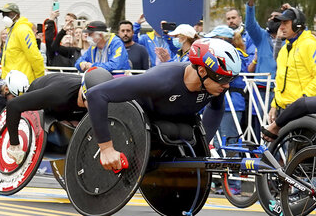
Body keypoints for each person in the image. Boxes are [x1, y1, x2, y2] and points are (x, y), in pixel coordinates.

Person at [87, 39, 242, 170]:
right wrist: (106, 148)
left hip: (172, 124)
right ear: (202, 71)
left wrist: (202, 146)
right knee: (170, 130)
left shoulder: (215, 85)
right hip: (137, 123)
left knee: (185, 133)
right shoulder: (162, 80)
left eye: (231, 80)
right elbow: (96, 94)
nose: (227, 86)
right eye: (222, 79)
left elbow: (216, 108)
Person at [3, 67, 113, 163]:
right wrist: (14, 145)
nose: (98, 107)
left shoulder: (97, 96)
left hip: (70, 104)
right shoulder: (57, 94)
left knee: (86, 124)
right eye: (95, 103)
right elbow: (13, 105)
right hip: (50, 100)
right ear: (84, 94)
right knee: (68, 128)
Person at [270, 6, 316, 118]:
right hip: (283, 110)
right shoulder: (284, 49)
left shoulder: (309, 44)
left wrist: (304, 98)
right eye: (281, 23)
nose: (281, 27)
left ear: (296, 24)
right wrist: (274, 105)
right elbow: (280, 80)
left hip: (303, 111)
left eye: (285, 23)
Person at [0, 2, 45, 82]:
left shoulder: (23, 30)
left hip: (22, 83)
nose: (5, 17)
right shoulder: (11, 30)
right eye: (3, 15)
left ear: (17, 15)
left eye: (8, 14)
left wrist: (39, 80)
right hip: (10, 83)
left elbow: (35, 57)